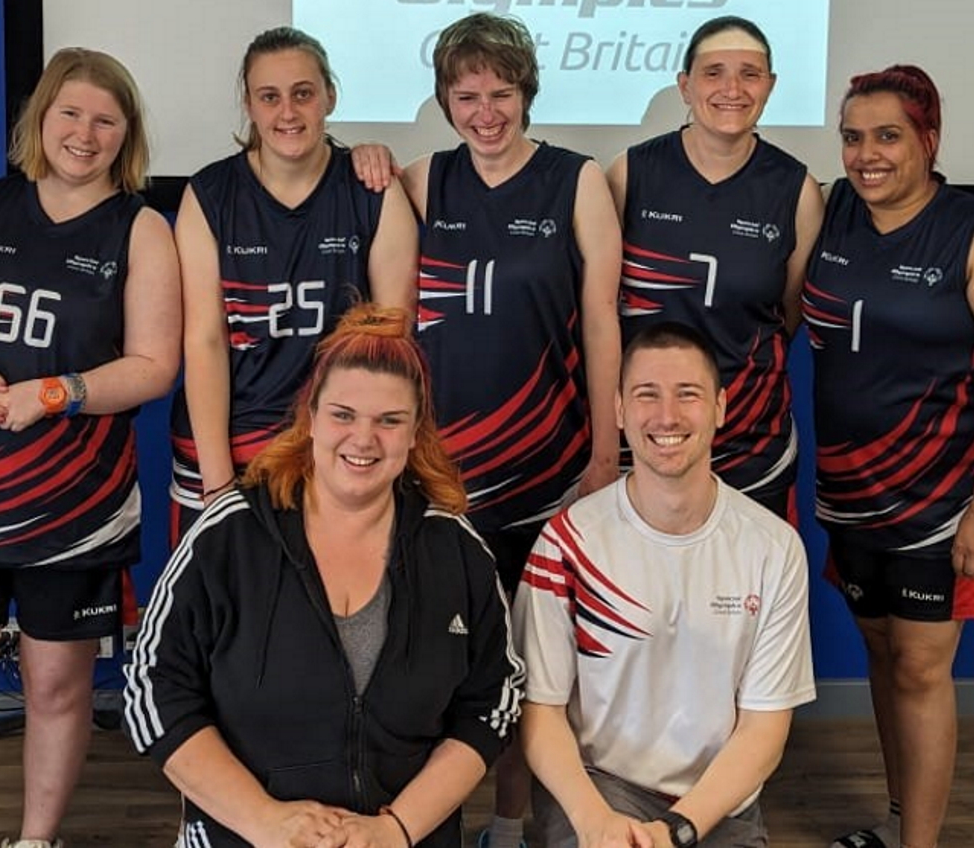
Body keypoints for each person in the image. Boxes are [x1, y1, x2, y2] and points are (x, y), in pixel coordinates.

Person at [0, 48, 181, 848]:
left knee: (57, 692)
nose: (85, 134)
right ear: (40, 118)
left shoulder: (141, 228)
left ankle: (35, 839)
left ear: (127, 133)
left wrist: (58, 392)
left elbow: (154, 365)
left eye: (105, 120)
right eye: (70, 114)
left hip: (77, 508)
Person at [355, 15, 622, 845]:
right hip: (444, 477)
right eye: (467, 96)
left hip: (549, 470)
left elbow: (603, 321)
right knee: (438, 661)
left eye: (501, 93)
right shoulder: (423, 181)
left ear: (526, 93)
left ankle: (511, 824)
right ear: (445, 102)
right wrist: (365, 155)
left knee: (537, 667)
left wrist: (604, 453)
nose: (486, 112)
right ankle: (426, 821)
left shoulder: (576, 180)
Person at [123, 304, 524, 848]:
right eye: (343, 415)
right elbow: (152, 687)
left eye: (389, 421)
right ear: (310, 418)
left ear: (415, 433)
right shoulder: (230, 536)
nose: (364, 439)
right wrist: (264, 821)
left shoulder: (455, 550)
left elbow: (492, 702)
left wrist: (396, 830)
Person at [802, 65, 974, 848]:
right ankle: (899, 820)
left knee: (919, 668)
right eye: (852, 137)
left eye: (887, 136)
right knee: (882, 654)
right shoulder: (833, 210)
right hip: (849, 495)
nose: (866, 155)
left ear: (928, 139)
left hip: (940, 505)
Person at [514, 321, 815, 848]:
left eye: (688, 394)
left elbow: (763, 731)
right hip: (598, 789)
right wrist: (595, 822)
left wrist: (676, 830)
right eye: (647, 394)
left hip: (717, 801)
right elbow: (540, 714)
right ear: (619, 410)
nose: (667, 416)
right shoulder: (566, 543)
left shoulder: (774, 549)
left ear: (720, 408)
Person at [170, 26, 418, 541]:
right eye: (269, 97)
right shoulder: (210, 195)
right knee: (224, 592)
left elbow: (390, 345)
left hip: (336, 450)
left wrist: (356, 456)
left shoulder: (373, 191)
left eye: (303, 93)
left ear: (330, 96)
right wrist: (218, 484)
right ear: (249, 104)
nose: (287, 112)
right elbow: (205, 342)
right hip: (229, 449)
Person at [606, 15, 823, 521]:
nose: (732, 89)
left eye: (750, 74)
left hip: (752, 446)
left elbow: (786, 313)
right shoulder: (630, 174)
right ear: (685, 86)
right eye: (713, 73)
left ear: (770, 86)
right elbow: (598, 308)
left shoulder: (796, 190)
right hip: (649, 441)